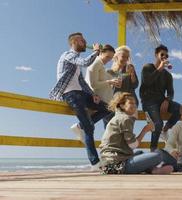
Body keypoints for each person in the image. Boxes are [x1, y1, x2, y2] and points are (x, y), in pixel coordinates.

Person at [49, 32, 111, 170]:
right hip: (71, 95)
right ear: (75, 42)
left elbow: (81, 81)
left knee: (107, 108)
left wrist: (93, 94)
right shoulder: (67, 55)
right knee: (90, 127)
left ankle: (80, 126)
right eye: (83, 41)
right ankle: (95, 163)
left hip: (81, 94)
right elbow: (85, 62)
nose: (85, 43)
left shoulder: (75, 60)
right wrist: (96, 51)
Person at [99, 92, 174, 174]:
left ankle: (153, 170)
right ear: (122, 105)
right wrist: (145, 130)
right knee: (158, 156)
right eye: (131, 103)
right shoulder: (125, 119)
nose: (134, 106)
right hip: (117, 165)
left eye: (135, 103)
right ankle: (154, 169)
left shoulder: (118, 117)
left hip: (108, 163)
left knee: (140, 153)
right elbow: (133, 145)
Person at [139, 44, 181, 152]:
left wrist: (167, 100)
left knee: (180, 109)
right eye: (162, 54)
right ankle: (153, 150)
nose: (164, 57)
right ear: (156, 55)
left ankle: (165, 129)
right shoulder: (147, 67)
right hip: (148, 101)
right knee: (158, 123)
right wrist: (159, 69)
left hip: (161, 100)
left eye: (166, 56)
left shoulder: (167, 75)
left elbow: (171, 92)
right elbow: (147, 82)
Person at [85, 44, 120, 127]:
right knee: (109, 109)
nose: (108, 60)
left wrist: (113, 82)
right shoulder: (96, 62)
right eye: (107, 57)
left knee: (89, 129)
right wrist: (110, 82)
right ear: (100, 53)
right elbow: (93, 84)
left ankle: (82, 126)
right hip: (94, 98)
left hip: (98, 99)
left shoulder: (101, 65)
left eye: (110, 58)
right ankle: (81, 126)